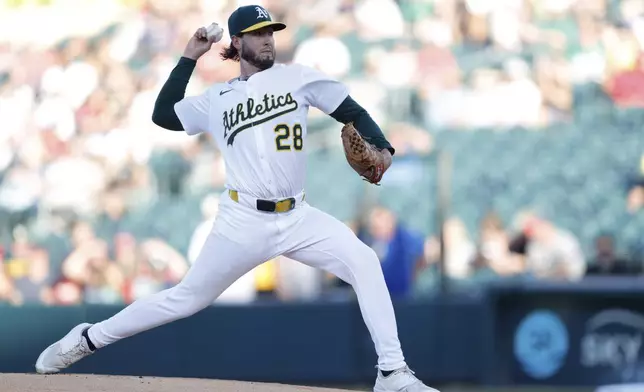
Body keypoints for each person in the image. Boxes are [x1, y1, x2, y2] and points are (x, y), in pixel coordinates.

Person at [34, 5, 438, 392]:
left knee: (364, 260)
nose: (266, 40)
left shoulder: (299, 77)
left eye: (270, 32)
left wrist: (384, 147)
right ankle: (88, 338)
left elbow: (352, 110)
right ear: (237, 44)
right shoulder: (217, 98)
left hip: (298, 216)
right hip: (242, 219)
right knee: (184, 300)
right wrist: (189, 56)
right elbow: (163, 114)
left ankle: (391, 372)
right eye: (256, 34)